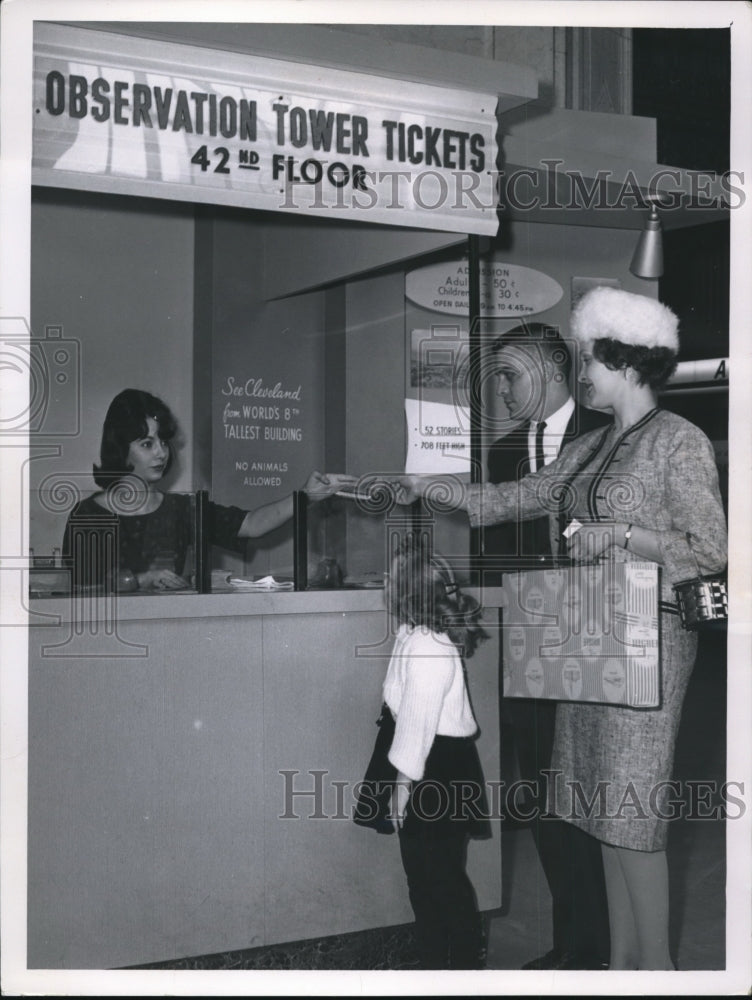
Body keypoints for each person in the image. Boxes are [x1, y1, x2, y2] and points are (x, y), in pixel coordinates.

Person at [393, 287, 728, 970]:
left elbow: (714, 548)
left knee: (632, 815)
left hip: (652, 640)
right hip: (593, 634)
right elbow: (511, 497)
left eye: (591, 363)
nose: (583, 377)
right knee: (599, 809)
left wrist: (619, 533)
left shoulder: (679, 441)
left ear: (626, 362)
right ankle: (622, 968)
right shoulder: (598, 445)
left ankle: (656, 970)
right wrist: (425, 485)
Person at [485, 323, 611, 971]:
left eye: (509, 374)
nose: (499, 388)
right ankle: (578, 945)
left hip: (596, 626)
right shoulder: (503, 454)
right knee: (538, 789)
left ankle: (601, 947)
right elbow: (491, 557)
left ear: (548, 368)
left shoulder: (613, 434)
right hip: (525, 636)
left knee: (593, 793)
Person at [353, 533, 489, 970]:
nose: (383, 585)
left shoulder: (430, 646)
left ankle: (463, 966)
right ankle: (435, 961)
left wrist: (402, 789)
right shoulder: (414, 632)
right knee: (423, 876)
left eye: (390, 580)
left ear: (407, 594)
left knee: (439, 877)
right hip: (424, 762)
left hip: (436, 770)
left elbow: (417, 726)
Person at [62, 388, 356, 590]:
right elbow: (75, 591)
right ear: (120, 450)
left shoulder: (182, 508)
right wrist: (140, 580)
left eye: (163, 442)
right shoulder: (89, 514)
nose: (161, 453)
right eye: (147, 444)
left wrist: (306, 497)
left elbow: (251, 524)